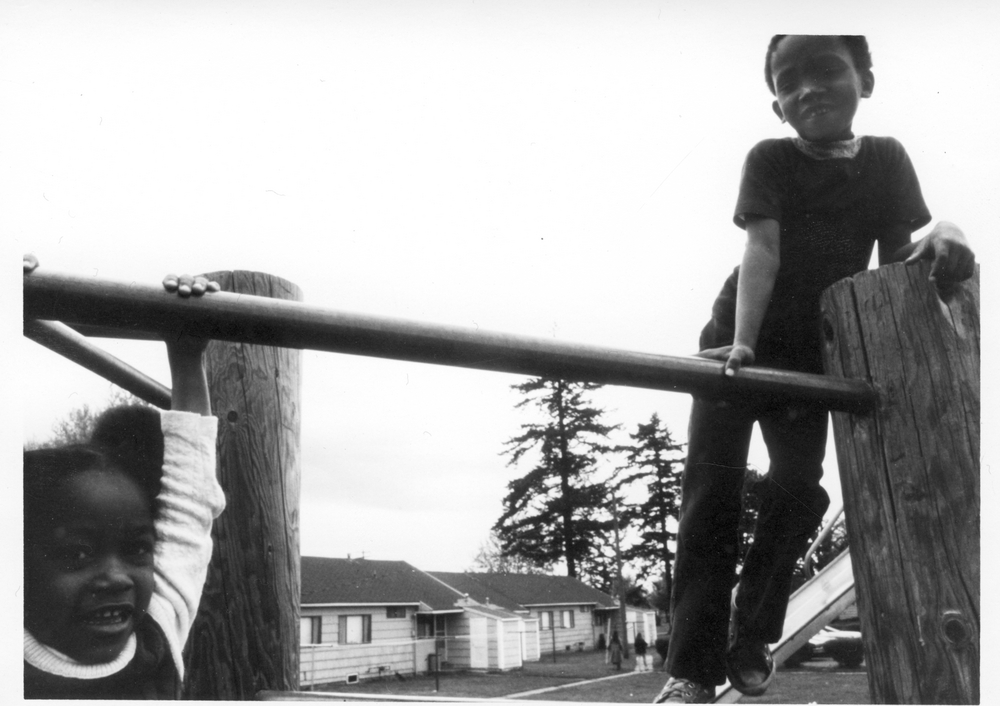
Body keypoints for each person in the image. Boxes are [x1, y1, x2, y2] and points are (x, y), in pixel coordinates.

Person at [654, 35, 976, 705]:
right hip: (740, 335)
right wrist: (741, 345)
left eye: (826, 69)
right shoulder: (770, 158)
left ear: (865, 77)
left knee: (799, 486)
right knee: (710, 495)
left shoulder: (886, 160)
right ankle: (691, 671)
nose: (808, 88)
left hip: (813, 349)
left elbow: (895, 263)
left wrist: (949, 230)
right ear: (777, 105)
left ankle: (752, 632)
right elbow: (761, 252)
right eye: (789, 80)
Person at [23, 258, 226, 699]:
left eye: (137, 549)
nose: (116, 577)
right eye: (77, 554)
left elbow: (189, 504)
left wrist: (187, 353)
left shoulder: (158, 629)